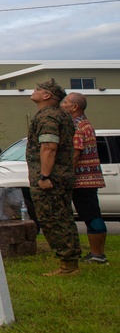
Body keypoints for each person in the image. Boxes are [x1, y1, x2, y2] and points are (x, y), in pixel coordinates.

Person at [26, 78, 82, 276]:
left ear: (47, 95)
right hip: (62, 175)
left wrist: (44, 176)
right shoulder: (62, 115)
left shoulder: (48, 116)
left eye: (37, 89)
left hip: (51, 178)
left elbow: (49, 147)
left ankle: (68, 264)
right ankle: (71, 260)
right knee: (64, 217)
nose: (33, 91)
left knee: (52, 219)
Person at [61, 92, 108, 264]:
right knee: (92, 214)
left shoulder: (76, 126)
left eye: (65, 102)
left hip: (82, 180)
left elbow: (75, 153)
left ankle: (97, 255)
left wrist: (68, 175)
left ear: (74, 107)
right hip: (89, 178)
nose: (62, 104)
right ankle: (98, 254)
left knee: (91, 215)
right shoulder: (86, 124)